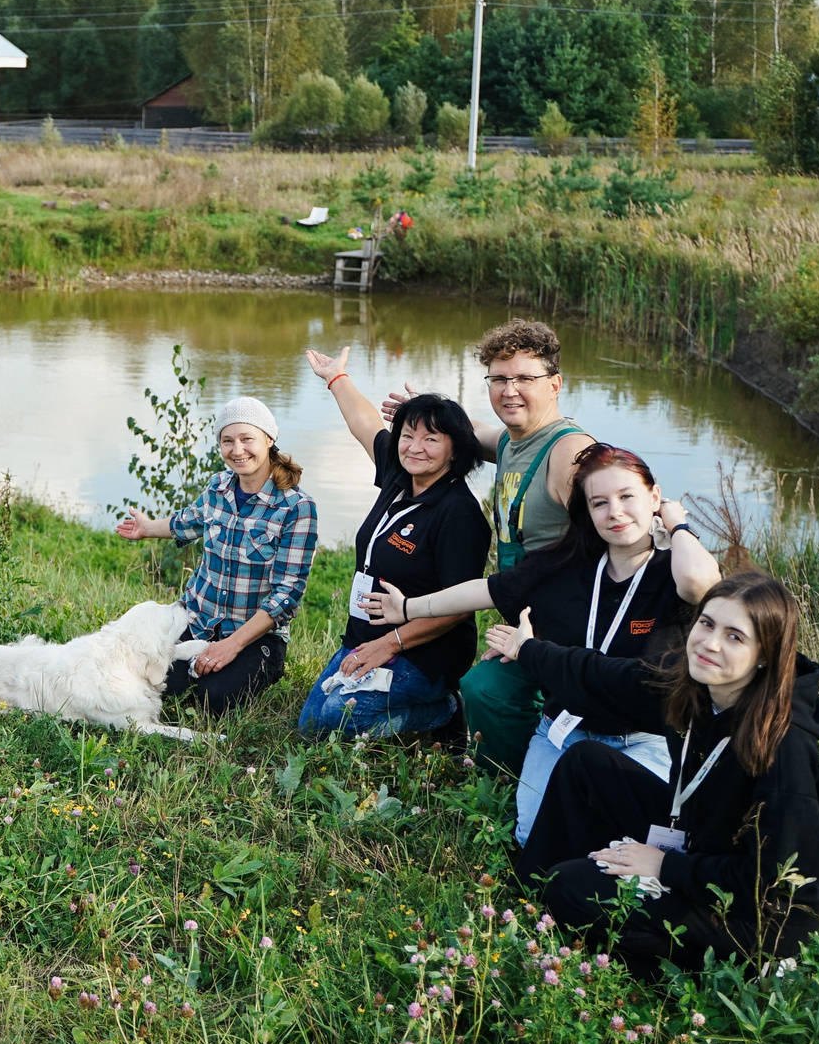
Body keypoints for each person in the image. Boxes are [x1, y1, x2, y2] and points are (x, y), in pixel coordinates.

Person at [363, 443, 720, 842]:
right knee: (532, 837)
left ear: (654, 496)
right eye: (599, 502)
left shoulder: (675, 571)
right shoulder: (567, 565)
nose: (615, 512)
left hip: (642, 740)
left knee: (635, 843)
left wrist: (677, 525)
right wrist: (410, 607)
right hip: (564, 732)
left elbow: (701, 584)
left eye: (627, 497)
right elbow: (487, 591)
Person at [504, 571, 819, 978]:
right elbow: (599, 675)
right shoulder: (696, 685)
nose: (710, 643)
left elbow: (776, 883)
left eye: (735, 637)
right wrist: (527, 649)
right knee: (587, 763)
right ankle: (522, 906)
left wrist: (663, 866)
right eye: (707, 623)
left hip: (755, 916)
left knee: (569, 887)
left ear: (766, 654)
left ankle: (733, 972)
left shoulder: (784, 747)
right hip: (699, 844)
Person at [383, 320, 595, 773]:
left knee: (487, 688)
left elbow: (611, 534)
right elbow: (473, 431)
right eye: (499, 379)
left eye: (524, 378)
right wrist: (427, 415)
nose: (510, 390)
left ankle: (514, 786)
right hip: (522, 608)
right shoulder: (510, 442)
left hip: (565, 620)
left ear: (555, 384)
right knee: (487, 688)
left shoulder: (570, 453)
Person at [292, 349, 489, 741]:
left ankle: (444, 709)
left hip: (425, 654)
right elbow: (365, 424)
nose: (415, 447)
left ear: (456, 449)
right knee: (313, 727)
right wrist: (336, 378)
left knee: (340, 721)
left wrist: (391, 643)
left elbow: (460, 604)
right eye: (408, 435)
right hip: (364, 639)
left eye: (431, 439)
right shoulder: (400, 476)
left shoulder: (458, 514)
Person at [115, 397, 318, 714]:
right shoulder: (217, 487)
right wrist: (147, 527)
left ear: (269, 439)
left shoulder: (297, 507)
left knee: (215, 698)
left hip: (252, 637)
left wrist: (231, 645)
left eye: (247, 438)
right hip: (196, 619)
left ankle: (255, 670)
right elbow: (189, 522)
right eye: (228, 441)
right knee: (148, 679)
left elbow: (287, 595)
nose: (237, 450)